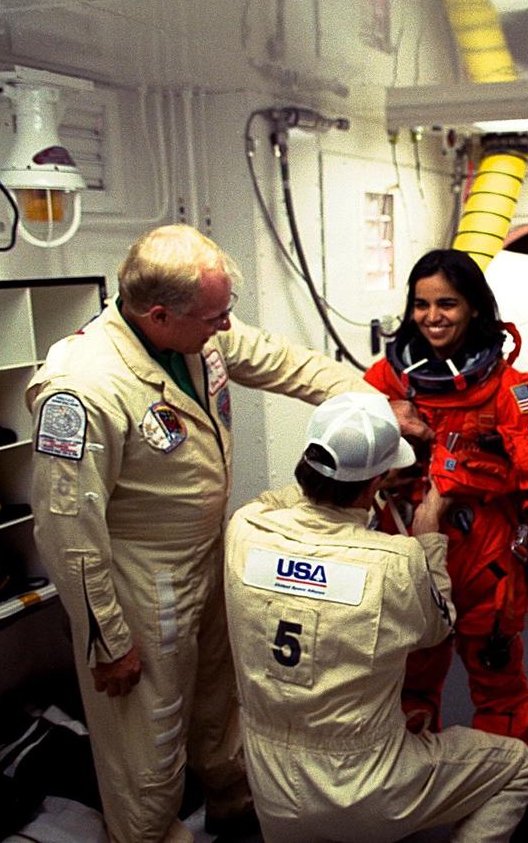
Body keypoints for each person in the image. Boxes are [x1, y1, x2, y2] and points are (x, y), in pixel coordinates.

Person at [25, 224, 411, 843]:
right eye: (214, 317)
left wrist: (370, 404)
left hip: (208, 557)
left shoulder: (195, 337)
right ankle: (146, 833)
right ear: (158, 314)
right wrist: (108, 639)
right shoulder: (83, 387)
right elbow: (67, 528)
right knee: (146, 741)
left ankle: (232, 806)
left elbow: (284, 363)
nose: (225, 328)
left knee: (218, 704)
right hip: (137, 581)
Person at [223, 392, 528, 842]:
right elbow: (438, 626)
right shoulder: (394, 562)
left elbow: (291, 499)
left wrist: (352, 468)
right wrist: (428, 533)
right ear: (376, 485)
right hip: (363, 787)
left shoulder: (245, 528)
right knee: (517, 766)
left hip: (270, 788)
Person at [364, 250, 528, 793]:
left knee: (498, 684)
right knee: (409, 682)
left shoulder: (515, 390)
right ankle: (413, 782)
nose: (432, 317)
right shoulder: (385, 381)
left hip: (487, 560)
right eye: (421, 305)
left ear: (475, 309)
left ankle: (510, 787)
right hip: (409, 556)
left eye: (447, 304)